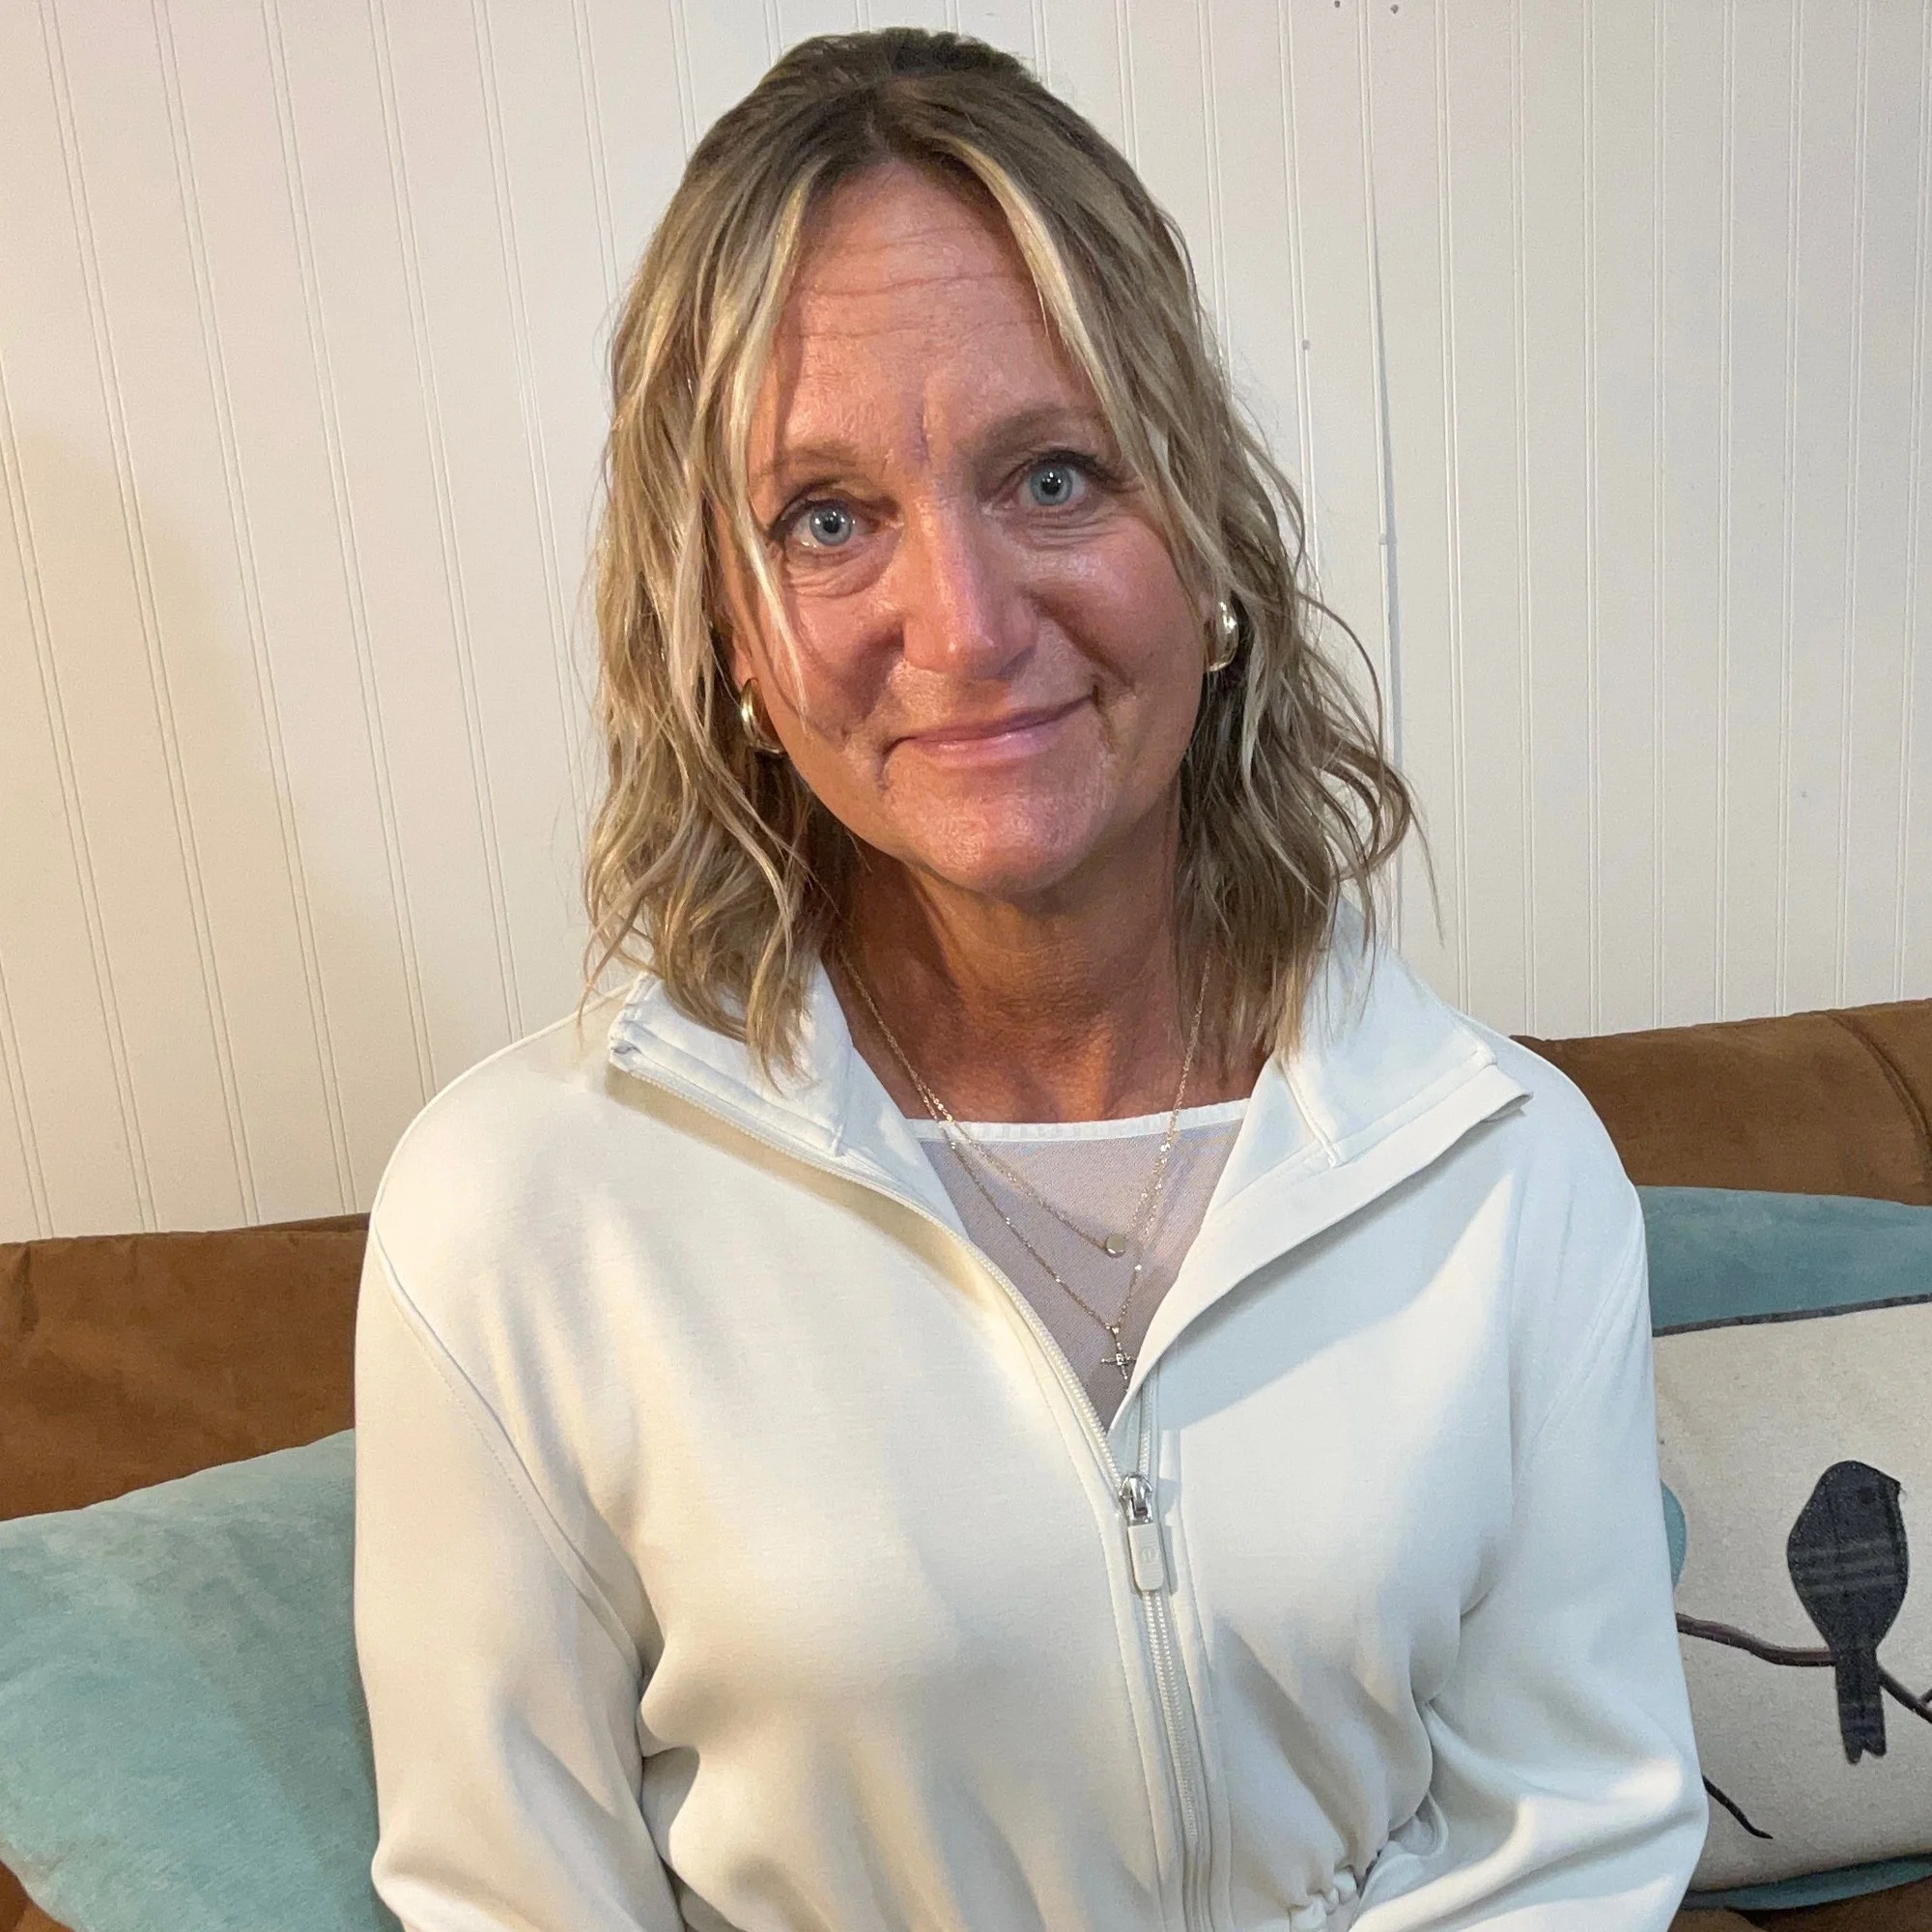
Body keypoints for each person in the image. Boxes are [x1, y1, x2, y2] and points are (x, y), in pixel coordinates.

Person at [353, 28, 1705, 1932]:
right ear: (727, 627)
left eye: (1054, 474)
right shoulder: (514, 1218)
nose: (966, 624)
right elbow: (516, 1896)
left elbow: (1570, 1841)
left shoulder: (1508, 1168)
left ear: (1206, 540)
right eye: (828, 519)